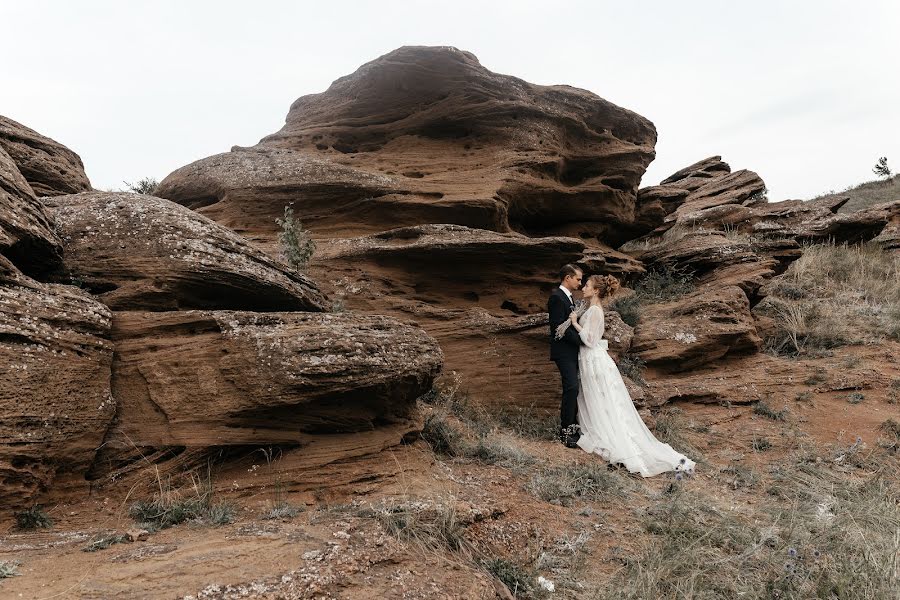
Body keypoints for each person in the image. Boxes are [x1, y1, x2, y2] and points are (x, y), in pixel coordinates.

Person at [568, 274, 696, 477]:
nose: (583, 288)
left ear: (596, 291)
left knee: (599, 397)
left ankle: (611, 436)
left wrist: (575, 323)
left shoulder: (594, 310)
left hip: (593, 357)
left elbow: (590, 339)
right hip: (592, 357)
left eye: (587, 285)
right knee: (600, 398)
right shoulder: (592, 308)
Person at [548, 264, 584, 448]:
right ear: (567, 278)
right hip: (563, 352)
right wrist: (582, 340)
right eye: (578, 279)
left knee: (575, 388)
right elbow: (557, 327)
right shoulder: (556, 297)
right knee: (571, 387)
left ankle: (575, 427)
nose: (580, 282)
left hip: (573, 351)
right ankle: (566, 432)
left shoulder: (570, 298)